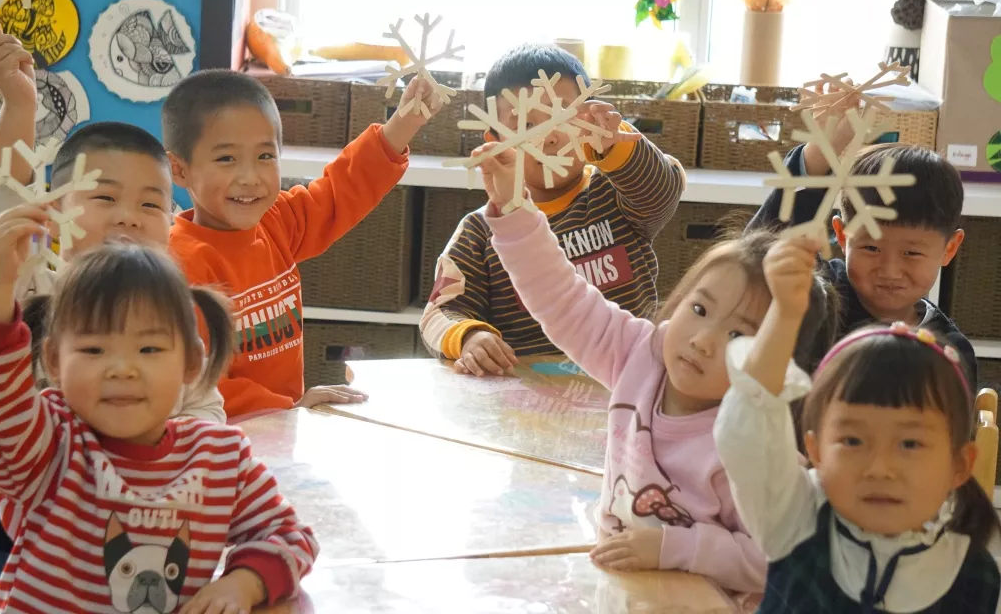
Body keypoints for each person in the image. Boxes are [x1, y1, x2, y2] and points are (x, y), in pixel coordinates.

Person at [474, 143, 838, 593]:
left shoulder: (753, 448)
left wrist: (674, 547)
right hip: (622, 585)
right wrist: (514, 209)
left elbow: (777, 562)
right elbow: (559, 296)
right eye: (700, 309)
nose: (702, 341)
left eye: (739, 337)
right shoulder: (639, 353)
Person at [0, 23, 224, 605]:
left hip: (128, 538)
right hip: (2, 531)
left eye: (150, 203)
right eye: (104, 197)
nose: (128, 216)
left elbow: (204, 413)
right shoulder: (30, 281)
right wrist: (19, 106)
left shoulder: (171, 310)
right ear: (51, 210)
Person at [0, 238, 319, 612]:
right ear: (55, 361)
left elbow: (289, 535)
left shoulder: (221, 459)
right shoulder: (49, 444)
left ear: (191, 363)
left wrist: (245, 582)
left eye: (149, 349)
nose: (122, 368)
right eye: (94, 350)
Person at [715, 235, 1000, 612]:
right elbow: (746, 432)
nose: (879, 468)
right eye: (852, 440)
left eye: (910, 444)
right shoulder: (796, 519)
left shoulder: (974, 573)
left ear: (959, 465)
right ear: (815, 450)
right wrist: (784, 316)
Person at [165, 69, 442, 418]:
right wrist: (289, 407)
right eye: (226, 159)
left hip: (284, 422)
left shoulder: (275, 220)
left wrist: (404, 124)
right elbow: (195, 381)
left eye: (265, 157)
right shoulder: (179, 265)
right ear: (179, 170)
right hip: (223, 438)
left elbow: (340, 192)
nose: (250, 178)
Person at [420, 44, 685, 375]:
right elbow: (438, 313)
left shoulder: (614, 191)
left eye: (562, 116)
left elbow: (666, 186)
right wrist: (469, 336)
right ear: (494, 139)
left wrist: (617, 148)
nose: (550, 137)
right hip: (530, 400)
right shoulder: (483, 230)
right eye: (527, 124)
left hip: (627, 386)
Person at [747, 100, 975, 388]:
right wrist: (821, 152)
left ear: (949, 249)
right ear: (842, 236)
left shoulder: (949, 350)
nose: (890, 270)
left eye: (912, 252)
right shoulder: (820, 294)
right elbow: (757, 258)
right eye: (871, 248)